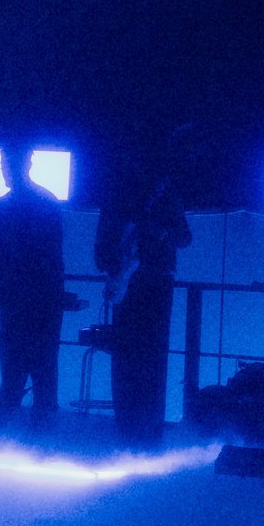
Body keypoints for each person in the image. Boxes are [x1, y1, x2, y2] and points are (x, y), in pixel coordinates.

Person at [94, 155, 192, 443]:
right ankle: (144, 429)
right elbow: (184, 238)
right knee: (147, 357)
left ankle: (133, 428)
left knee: (132, 358)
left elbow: (183, 237)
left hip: (141, 284)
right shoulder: (160, 193)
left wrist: (115, 266)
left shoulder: (122, 193)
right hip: (151, 284)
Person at [0, 149, 67, 430]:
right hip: (44, 298)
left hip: (17, 298)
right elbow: (53, 255)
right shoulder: (48, 202)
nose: (3, 170)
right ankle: (41, 436)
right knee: (44, 370)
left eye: (4, 165)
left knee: (13, 370)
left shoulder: (4, 206)